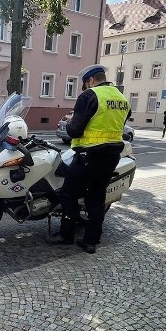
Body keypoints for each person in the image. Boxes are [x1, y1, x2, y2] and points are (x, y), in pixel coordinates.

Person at [46, 64, 130, 254]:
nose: (84, 88)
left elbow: (75, 130)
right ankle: (91, 241)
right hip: (111, 157)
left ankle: (67, 234)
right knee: (96, 197)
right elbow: (121, 124)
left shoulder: (90, 95)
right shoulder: (121, 98)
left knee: (67, 194)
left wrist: (68, 123)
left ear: (90, 81)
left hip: (88, 156)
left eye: (85, 84)